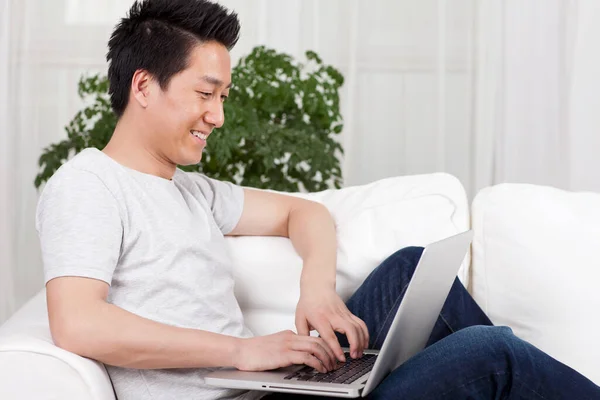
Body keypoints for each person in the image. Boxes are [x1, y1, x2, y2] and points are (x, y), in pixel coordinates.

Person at [35, 0, 600, 399]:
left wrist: (318, 291)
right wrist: (240, 352)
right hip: (237, 389)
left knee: (408, 267)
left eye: (223, 96)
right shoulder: (89, 185)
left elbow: (303, 211)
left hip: (266, 389)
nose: (219, 116)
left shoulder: (189, 190)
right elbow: (79, 324)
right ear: (143, 87)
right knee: (490, 352)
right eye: (206, 94)